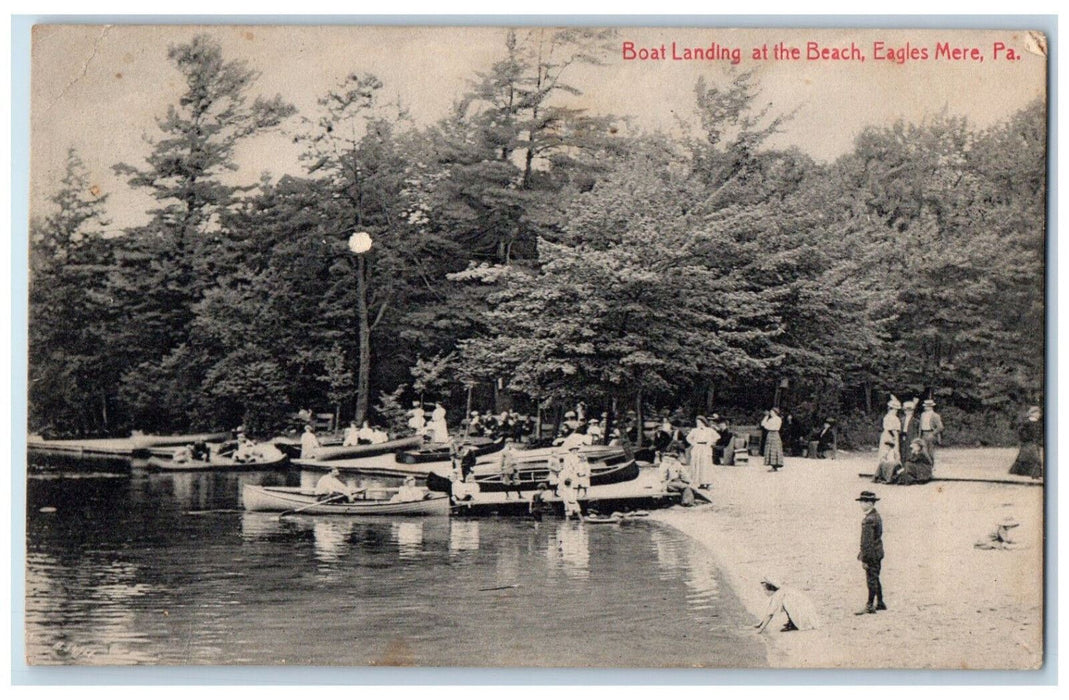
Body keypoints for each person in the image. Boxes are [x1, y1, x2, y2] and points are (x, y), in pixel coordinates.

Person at [753, 576, 821, 632]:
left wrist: (761, 629)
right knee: (787, 604)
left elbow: (771, 613)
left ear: (770, 589)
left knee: (787, 605)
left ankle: (793, 624)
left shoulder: (778, 595)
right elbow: (769, 610)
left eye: (765, 590)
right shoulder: (780, 591)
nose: (764, 592)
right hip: (802, 603)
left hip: (800, 608)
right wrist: (760, 624)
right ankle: (792, 622)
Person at [855, 490, 886, 615]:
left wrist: (864, 559)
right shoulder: (876, 516)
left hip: (871, 554)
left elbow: (866, 543)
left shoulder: (868, 520)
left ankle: (870, 605)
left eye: (864, 502)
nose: (861, 504)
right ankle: (880, 602)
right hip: (878, 552)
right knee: (876, 577)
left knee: (871, 579)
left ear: (871, 503)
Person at [1009, 405, 1043, 479]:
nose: (1039, 414)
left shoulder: (1037, 423)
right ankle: (1035, 475)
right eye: (1037, 413)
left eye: (1039, 413)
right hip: (1029, 443)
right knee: (1035, 458)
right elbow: (1021, 432)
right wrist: (1026, 438)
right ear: (1033, 413)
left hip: (1033, 443)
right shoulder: (1027, 423)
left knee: (1026, 458)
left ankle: (1032, 474)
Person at [874, 397, 902, 483]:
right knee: (891, 454)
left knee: (884, 454)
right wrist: (896, 441)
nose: (896, 411)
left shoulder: (887, 417)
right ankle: (889, 475)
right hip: (890, 436)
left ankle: (882, 474)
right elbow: (893, 430)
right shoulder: (893, 418)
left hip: (885, 435)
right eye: (895, 409)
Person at [686, 416, 718, 488]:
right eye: (697, 422)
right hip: (697, 448)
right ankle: (699, 482)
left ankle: (707, 481)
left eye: (700, 422)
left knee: (706, 465)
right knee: (697, 464)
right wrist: (693, 443)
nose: (698, 424)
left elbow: (717, 436)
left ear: (703, 422)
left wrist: (710, 442)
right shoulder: (694, 430)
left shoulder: (709, 430)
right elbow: (688, 438)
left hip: (706, 448)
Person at [761, 408, 784, 472]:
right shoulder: (770, 419)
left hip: (775, 433)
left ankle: (775, 465)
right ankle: (772, 465)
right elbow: (763, 424)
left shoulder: (778, 419)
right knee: (770, 449)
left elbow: (775, 427)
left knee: (775, 449)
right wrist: (766, 416)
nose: (770, 413)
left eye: (772, 412)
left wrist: (768, 426)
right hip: (770, 434)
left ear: (775, 412)